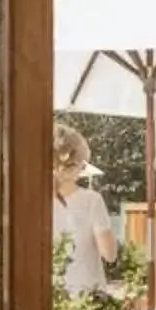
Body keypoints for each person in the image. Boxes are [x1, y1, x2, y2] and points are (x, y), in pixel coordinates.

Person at [52, 124, 120, 296]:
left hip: (49, 297)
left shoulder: (30, 201)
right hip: (86, 297)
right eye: (81, 166)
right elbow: (109, 254)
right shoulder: (91, 200)